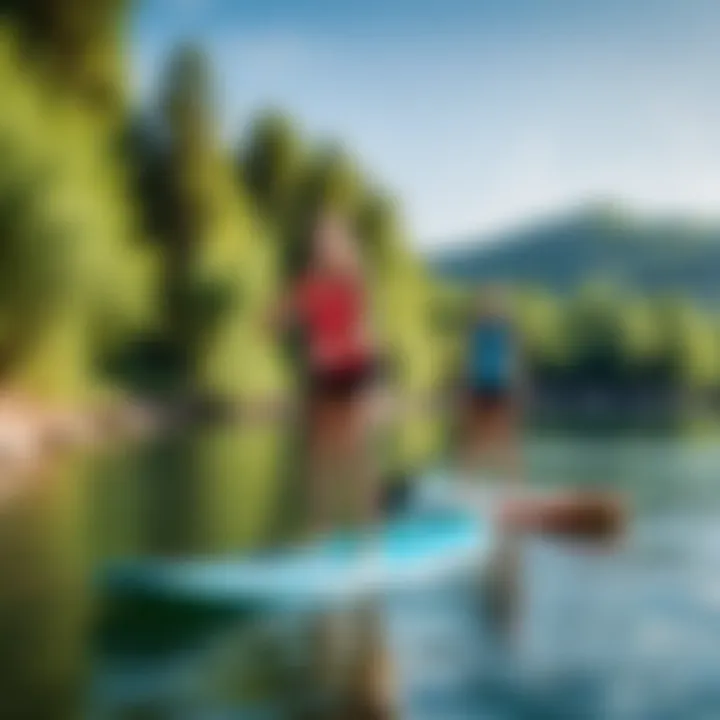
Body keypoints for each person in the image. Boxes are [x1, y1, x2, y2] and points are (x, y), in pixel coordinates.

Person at [271, 211, 381, 535]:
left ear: (342, 245)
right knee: (320, 457)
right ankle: (321, 532)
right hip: (323, 375)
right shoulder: (309, 283)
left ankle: (369, 532)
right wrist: (277, 319)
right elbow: (284, 314)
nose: (322, 247)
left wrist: (372, 385)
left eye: (328, 241)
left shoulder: (355, 278)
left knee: (355, 453)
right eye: (318, 242)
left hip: (353, 370)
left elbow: (361, 327)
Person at [460, 286, 521, 479]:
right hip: (479, 387)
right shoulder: (476, 331)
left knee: (505, 438)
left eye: (493, 305)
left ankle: (513, 484)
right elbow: (469, 362)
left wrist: (517, 389)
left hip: (500, 387)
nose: (489, 309)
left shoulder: (505, 331)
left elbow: (513, 361)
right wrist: (465, 388)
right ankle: (467, 483)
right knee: (474, 438)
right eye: (486, 305)